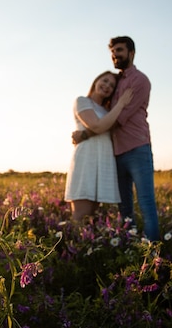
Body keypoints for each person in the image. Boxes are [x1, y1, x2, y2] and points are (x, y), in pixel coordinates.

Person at [73, 36, 160, 241]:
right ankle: (130, 247)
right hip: (116, 153)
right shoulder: (117, 81)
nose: (115, 55)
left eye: (119, 50)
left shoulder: (139, 80)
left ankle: (155, 257)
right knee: (124, 208)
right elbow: (103, 114)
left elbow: (118, 119)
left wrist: (85, 133)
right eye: (112, 52)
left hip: (137, 148)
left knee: (146, 203)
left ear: (131, 53)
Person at [64, 71, 134, 221]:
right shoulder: (82, 101)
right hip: (86, 158)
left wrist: (84, 134)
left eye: (111, 85)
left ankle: (87, 243)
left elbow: (106, 126)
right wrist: (121, 103)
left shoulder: (108, 111)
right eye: (105, 80)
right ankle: (74, 243)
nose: (107, 86)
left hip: (103, 159)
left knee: (92, 215)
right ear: (96, 81)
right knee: (81, 212)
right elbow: (96, 125)